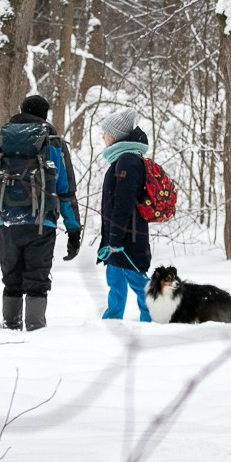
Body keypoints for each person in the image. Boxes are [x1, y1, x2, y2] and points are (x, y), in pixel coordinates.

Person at [0, 94, 82, 331]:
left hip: (7, 222)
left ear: (21, 110)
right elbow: (66, 191)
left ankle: (10, 328)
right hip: (42, 224)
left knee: (11, 281)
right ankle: (35, 331)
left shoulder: (3, 141)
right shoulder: (54, 144)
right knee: (37, 281)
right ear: (45, 116)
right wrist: (74, 231)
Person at [95, 107, 152, 321]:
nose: (103, 136)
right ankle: (112, 320)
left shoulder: (128, 161)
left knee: (136, 279)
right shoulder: (120, 160)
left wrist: (116, 238)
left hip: (129, 236)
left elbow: (123, 203)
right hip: (118, 235)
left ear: (116, 135)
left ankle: (154, 318)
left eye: (106, 132)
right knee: (115, 278)